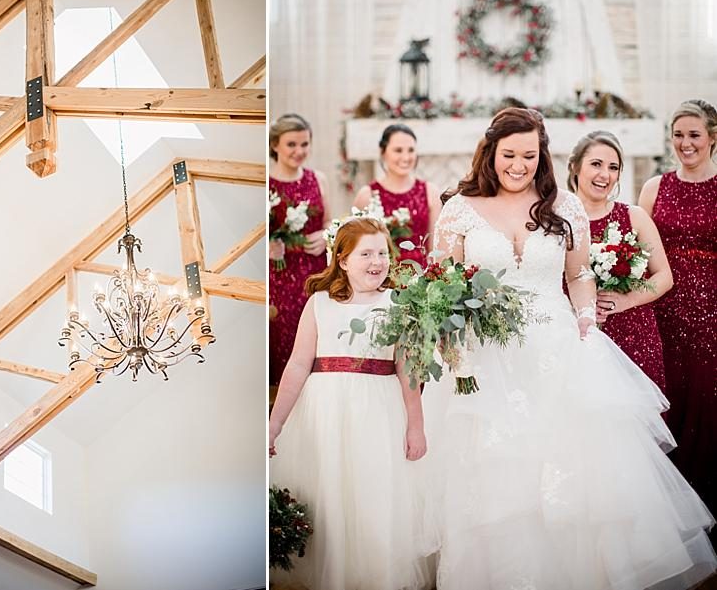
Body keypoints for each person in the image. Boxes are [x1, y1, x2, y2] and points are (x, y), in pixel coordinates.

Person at [422, 107, 715, 590]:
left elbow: (578, 275)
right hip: (487, 355)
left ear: (544, 157)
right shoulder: (459, 209)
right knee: (493, 474)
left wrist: (584, 317)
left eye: (529, 156)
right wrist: (454, 344)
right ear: (491, 153)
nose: (518, 165)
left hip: (557, 346)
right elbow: (446, 284)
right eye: (509, 155)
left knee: (568, 472)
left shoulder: (565, 207)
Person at [269, 217, 433, 590]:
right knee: (330, 494)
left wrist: (416, 425)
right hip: (325, 410)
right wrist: (275, 423)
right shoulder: (319, 303)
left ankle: (374, 576)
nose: (377, 262)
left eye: (382, 253)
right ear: (342, 260)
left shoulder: (398, 303)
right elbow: (297, 364)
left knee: (373, 494)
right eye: (366, 254)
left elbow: (409, 369)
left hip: (378, 410)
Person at [639, 99, 717, 540]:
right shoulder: (654, 188)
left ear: (711, 138)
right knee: (666, 403)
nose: (685, 143)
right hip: (662, 311)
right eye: (678, 134)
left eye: (694, 134)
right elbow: (635, 250)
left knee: (706, 405)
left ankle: (706, 516)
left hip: (710, 317)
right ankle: (666, 523)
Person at [566, 130, 672, 390]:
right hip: (574, 335)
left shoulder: (634, 217)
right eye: (596, 164)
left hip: (634, 335)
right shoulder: (558, 221)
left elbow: (664, 277)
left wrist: (626, 300)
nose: (605, 175)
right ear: (575, 167)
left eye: (613, 167)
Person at [269, 113, 329, 386]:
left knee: (315, 337)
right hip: (279, 277)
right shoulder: (266, 182)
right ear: (275, 145)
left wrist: (327, 235)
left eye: (304, 144)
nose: (299, 151)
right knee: (284, 338)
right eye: (292, 144)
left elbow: (330, 222)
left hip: (314, 274)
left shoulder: (318, 179)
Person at [352, 123, 440, 265]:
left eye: (411, 150)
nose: (406, 157)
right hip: (381, 277)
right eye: (398, 150)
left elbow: (435, 247)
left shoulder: (430, 192)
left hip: (422, 277)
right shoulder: (367, 195)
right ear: (383, 152)